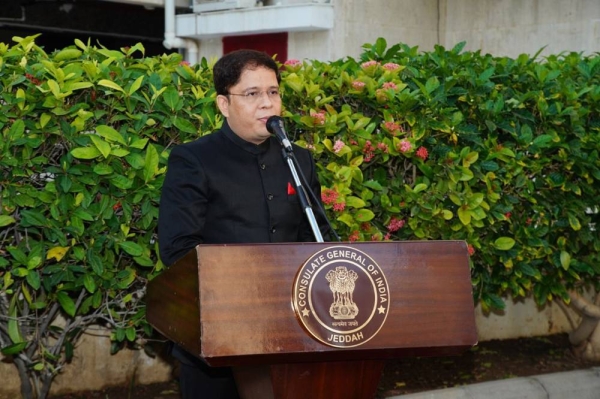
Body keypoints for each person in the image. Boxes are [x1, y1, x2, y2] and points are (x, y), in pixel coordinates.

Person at [157, 49, 329, 399]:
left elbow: (316, 238)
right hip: (216, 337)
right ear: (223, 104)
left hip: (290, 332)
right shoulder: (194, 160)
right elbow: (177, 248)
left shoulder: (300, 161)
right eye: (252, 94)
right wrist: (242, 291)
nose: (267, 103)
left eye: (273, 92)